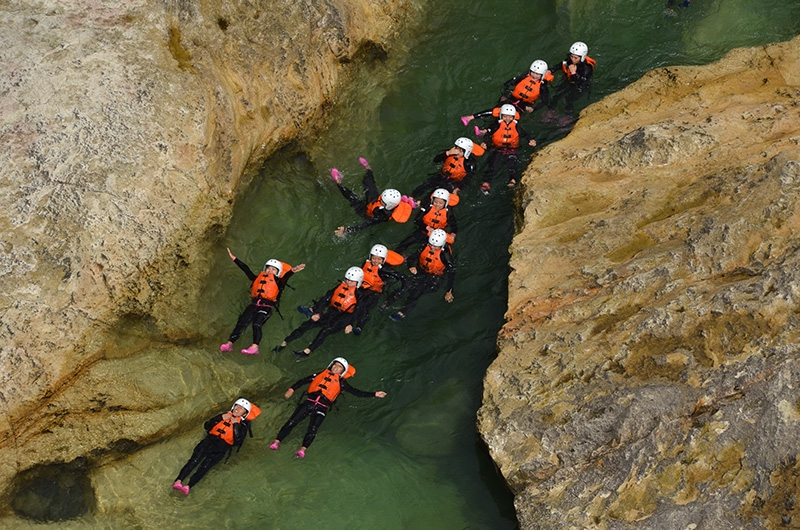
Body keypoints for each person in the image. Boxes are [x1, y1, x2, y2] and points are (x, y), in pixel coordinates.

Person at [268, 357, 387, 458]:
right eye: (334, 365)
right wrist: (291, 389)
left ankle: (302, 450)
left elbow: (356, 392)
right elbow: (303, 381)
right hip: (309, 402)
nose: (335, 367)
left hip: (322, 407)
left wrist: (375, 394)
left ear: (343, 371)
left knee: (313, 429)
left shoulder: (342, 383)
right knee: (292, 422)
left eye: (339, 367)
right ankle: (276, 442)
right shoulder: (320, 374)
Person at [219, 248, 306, 355]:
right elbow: (246, 270)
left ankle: (255, 347)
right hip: (253, 305)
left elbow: (286, 277)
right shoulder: (257, 278)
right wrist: (235, 259)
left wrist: (292, 271)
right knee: (241, 323)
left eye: (274, 269)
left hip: (266, 307)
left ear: (278, 272)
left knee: (256, 324)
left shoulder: (279, 282)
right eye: (268, 268)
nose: (270, 270)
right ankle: (229, 344)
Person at [172, 398, 261, 495]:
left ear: (244, 414)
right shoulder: (224, 416)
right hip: (208, 441)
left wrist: (235, 425)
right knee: (194, 460)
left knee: (204, 467)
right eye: (237, 406)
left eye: (241, 408)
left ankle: (188, 486)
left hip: (220, 448)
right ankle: (178, 481)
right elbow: (207, 426)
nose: (237, 409)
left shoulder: (242, 426)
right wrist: (220, 417)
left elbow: (237, 442)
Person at [273, 267, 367, 359]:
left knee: (326, 330)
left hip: (345, 317)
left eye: (351, 281)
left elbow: (358, 310)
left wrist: (350, 324)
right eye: (347, 279)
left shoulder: (359, 295)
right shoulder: (339, 287)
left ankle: (307, 351)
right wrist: (318, 313)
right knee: (308, 324)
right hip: (332, 311)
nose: (348, 282)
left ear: (358, 282)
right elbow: (325, 300)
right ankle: (284, 343)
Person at [382, 229, 455, 322]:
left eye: (435, 246)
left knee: (417, 291)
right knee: (407, 284)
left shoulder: (445, 255)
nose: (432, 247)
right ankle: (389, 302)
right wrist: (411, 266)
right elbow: (412, 258)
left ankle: (404, 312)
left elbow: (451, 272)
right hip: (421, 271)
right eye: (431, 245)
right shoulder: (425, 246)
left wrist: (449, 290)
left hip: (435, 277)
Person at [331, 157, 414, 237]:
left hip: (366, 212)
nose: (380, 198)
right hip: (373, 202)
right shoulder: (391, 201)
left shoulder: (380, 216)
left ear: (388, 206)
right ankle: (368, 169)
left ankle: (338, 182)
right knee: (368, 184)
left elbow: (365, 225)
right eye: (381, 198)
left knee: (352, 198)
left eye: (382, 201)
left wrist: (346, 230)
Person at [472, 104, 537, 192]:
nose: (507, 119)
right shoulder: (497, 125)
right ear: (501, 116)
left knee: (513, 164)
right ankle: (486, 182)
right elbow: (489, 134)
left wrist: (530, 140)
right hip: (498, 149)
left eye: (510, 117)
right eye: (505, 116)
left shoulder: (516, 126)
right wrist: (485, 142)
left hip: (512, 150)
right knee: (493, 165)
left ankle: (512, 180)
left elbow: (524, 134)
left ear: (513, 117)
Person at [411, 137, 485, 200]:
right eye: (456, 148)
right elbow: (436, 160)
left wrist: (457, 189)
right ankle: (412, 197)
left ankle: (420, 203)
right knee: (426, 184)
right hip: (442, 175)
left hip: (453, 183)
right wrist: (447, 153)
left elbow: (468, 179)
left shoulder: (470, 164)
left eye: (460, 150)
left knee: (436, 194)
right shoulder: (451, 153)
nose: (456, 151)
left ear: (466, 152)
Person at [355, 244, 407, 331]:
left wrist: (400, 291)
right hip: (363, 288)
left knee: (366, 307)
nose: (375, 261)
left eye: (379, 259)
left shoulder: (384, 270)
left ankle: (359, 327)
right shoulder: (366, 263)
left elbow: (403, 278)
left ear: (383, 260)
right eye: (374, 258)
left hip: (375, 293)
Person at [395, 188, 458, 254]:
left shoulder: (448, 212)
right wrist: (427, 227)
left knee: (424, 251)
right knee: (405, 243)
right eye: (435, 202)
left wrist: (453, 233)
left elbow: (454, 225)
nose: (437, 204)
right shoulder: (428, 207)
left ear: (446, 203)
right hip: (423, 231)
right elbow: (417, 219)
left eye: (441, 203)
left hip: (436, 236)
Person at [549, 41, 596, 117]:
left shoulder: (587, 67)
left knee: (568, 100)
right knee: (556, 95)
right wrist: (551, 70)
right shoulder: (569, 60)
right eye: (571, 56)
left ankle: (569, 116)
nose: (572, 59)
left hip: (580, 86)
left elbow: (581, 81)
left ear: (582, 57)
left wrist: (574, 73)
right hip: (570, 81)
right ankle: (552, 111)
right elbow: (560, 65)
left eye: (575, 58)